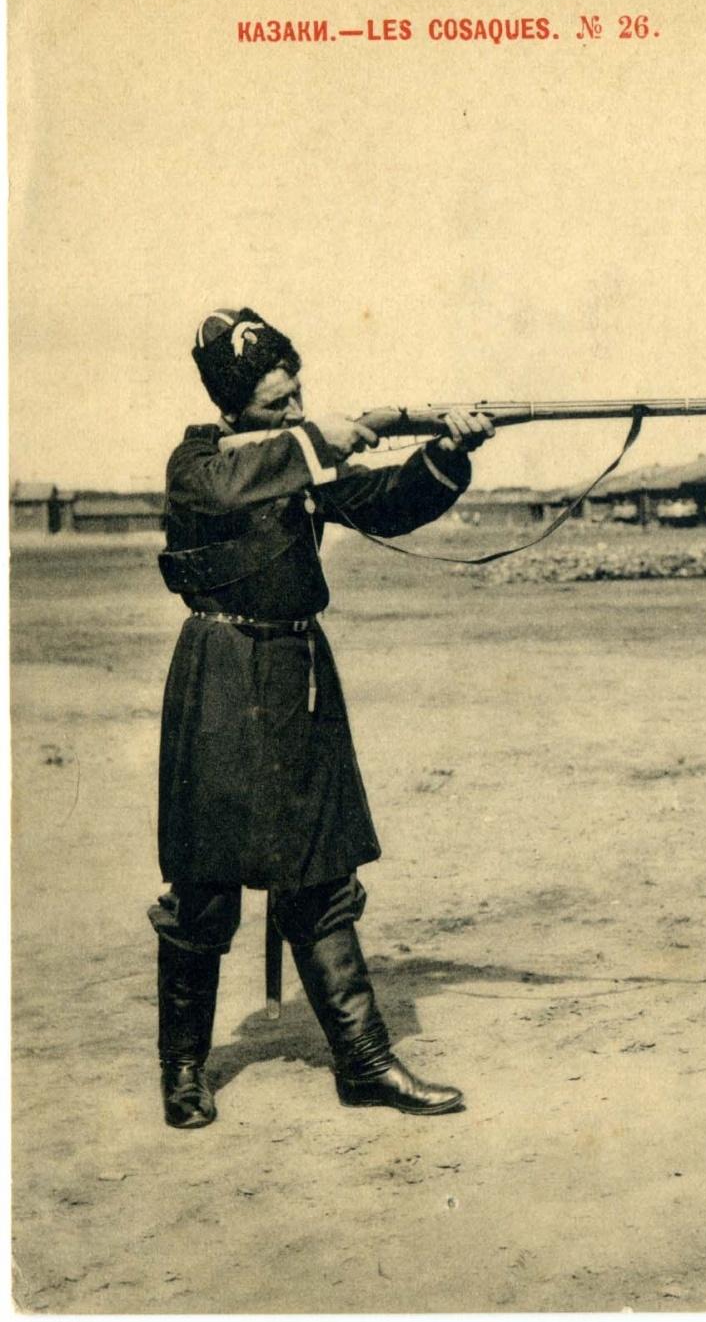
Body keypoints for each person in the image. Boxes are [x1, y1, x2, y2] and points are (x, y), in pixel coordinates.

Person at [150, 306, 494, 1129]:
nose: (296, 409)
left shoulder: (295, 458)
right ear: (234, 407)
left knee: (321, 871)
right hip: (221, 675)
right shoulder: (199, 461)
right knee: (203, 886)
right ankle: (184, 1069)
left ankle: (365, 1062)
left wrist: (447, 453)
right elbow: (232, 484)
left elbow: (385, 501)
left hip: (296, 673)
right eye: (278, 403)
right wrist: (318, 440)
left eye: (298, 393)